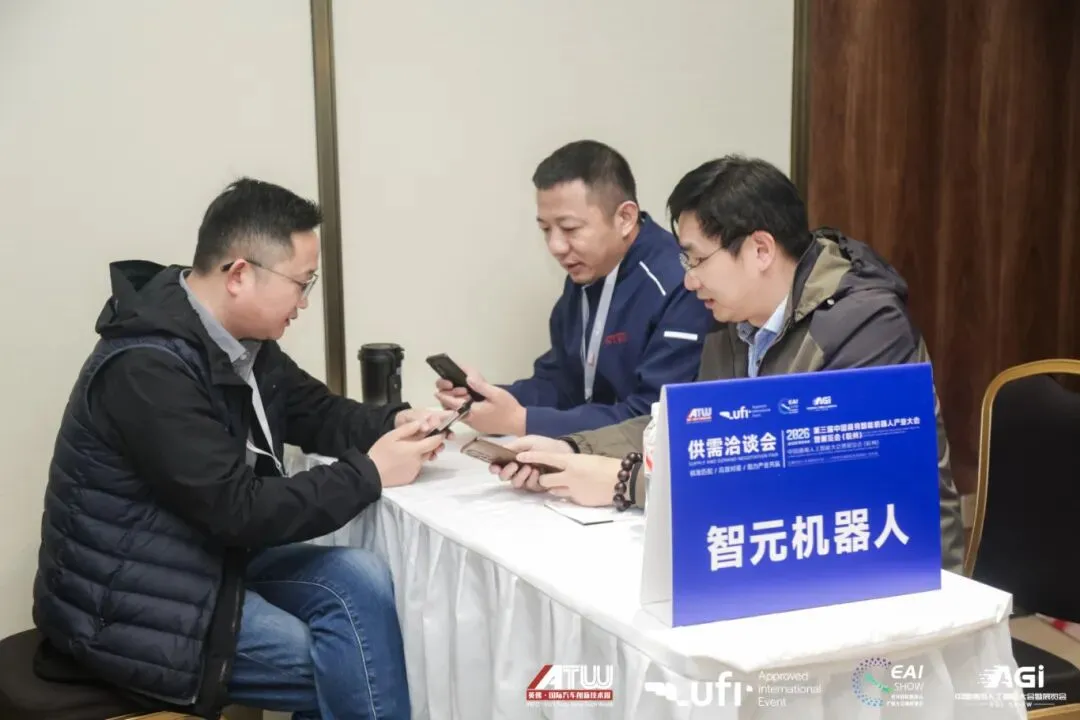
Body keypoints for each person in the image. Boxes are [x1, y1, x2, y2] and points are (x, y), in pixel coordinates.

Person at [32, 178, 451, 720]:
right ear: (238, 275)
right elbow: (238, 509)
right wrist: (369, 473)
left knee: (360, 579)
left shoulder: (238, 341)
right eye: (301, 283)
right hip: (131, 603)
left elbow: (317, 412)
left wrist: (395, 420)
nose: (304, 302)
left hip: (208, 559)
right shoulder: (147, 368)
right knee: (356, 667)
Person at [492, 155, 966, 574]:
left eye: (696, 260)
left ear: (760, 250)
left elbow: (807, 485)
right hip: (777, 560)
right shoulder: (733, 327)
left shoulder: (865, 327)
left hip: (887, 571)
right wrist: (573, 448)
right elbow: (684, 427)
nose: (689, 281)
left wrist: (629, 482)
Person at [434, 140, 713, 437]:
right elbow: (561, 386)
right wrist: (485, 398)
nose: (555, 246)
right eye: (545, 229)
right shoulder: (586, 271)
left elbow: (654, 417)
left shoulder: (683, 282)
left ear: (625, 218)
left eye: (569, 228)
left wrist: (521, 421)